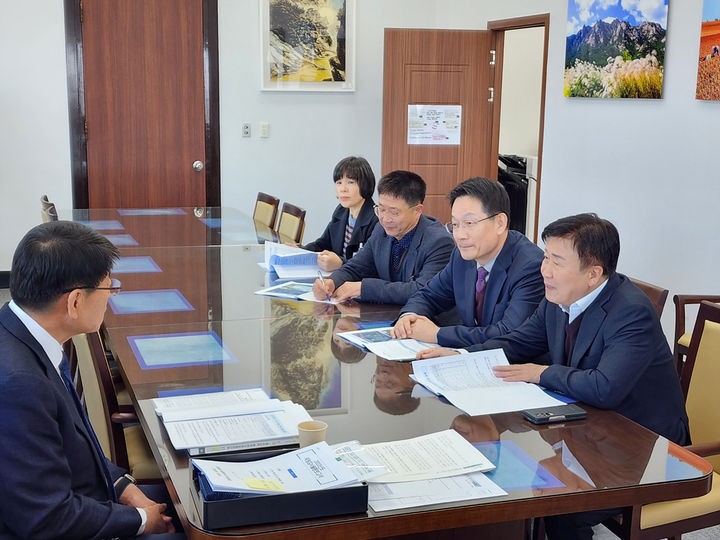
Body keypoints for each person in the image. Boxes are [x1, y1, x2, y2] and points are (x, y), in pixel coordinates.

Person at [417, 213, 689, 540]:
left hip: (642, 446)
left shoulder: (631, 312)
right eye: (546, 256)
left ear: (593, 274)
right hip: (587, 427)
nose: (544, 269)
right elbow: (520, 341)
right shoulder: (558, 297)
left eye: (556, 262)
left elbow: (605, 389)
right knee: (514, 482)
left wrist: (541, 373)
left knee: (561, 507)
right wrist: (461, 354)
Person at [0, 221, 182, 539]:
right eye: (108, 288)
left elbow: (70, 447)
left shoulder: (25, 333)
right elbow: (47, 519)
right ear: (74, 302)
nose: (112, 296)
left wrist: (122, 486)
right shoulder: (20, 384)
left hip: (86, 498)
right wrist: (142, 521)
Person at [392, 177, 544, 348]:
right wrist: (409, 316)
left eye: (469, 223)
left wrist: (437, 335)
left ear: (500, 223)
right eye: (455, 225)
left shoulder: (529, 266)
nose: (460, 235)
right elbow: (429, 295)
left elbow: (509, 334)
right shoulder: (462, 256)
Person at [313, 170, 454, 304]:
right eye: (381, 209)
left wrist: (363, 288)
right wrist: (332, 282)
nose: (385, 218)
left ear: (417, 210)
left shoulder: (439, 242)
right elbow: (357, 267)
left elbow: (423, 290)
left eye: (394, 212)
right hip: (385, 315)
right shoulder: (381, 229)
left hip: (427, 322)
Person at [303, 156, 379, 271]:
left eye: (350, 182)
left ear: (365, 184)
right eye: (339, 182)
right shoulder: (341, 211)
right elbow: (322, 244)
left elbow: (371, 266)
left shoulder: (376, 219)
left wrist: (341, 263)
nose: (343, 189)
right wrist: (298, 251)